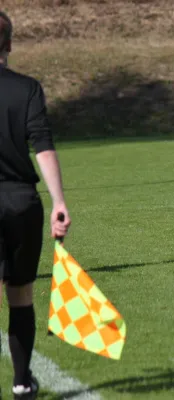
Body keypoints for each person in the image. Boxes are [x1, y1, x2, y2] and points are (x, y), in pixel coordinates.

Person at [0, 11, 71, 400]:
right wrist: (59, 201)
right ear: (9, 44)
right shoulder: (27, 88)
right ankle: (23, 381)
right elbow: (42, 145)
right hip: (22, 202)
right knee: (21, 295)